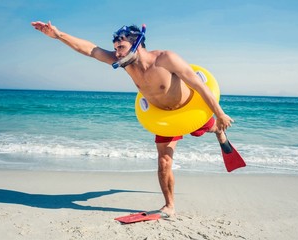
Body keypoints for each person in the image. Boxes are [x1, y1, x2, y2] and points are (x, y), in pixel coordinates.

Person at [31, 21, 234, 217]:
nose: (117, 53)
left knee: (203, 130)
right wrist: (58, 35)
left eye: (121, 47)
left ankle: (218, 131)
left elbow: (199, 85)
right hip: (164, 118)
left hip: (188, 108)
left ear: (137, 44)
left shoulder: (166, 59)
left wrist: (220, 113)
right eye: (116, 48)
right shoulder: (125, 63)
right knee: (164, 162)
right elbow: (91, 50)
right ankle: (169, 206)